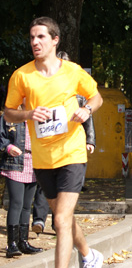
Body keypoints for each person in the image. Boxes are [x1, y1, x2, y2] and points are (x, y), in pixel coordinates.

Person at [3, 17, 104, 268]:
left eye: (41, 37)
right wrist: (27, 114)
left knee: (59, 219)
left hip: (71, 152)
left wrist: (87, 111)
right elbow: (8, 112)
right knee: (64, 217)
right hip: (42, 158)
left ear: (55, 40)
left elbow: (96, 97)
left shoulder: (72, 71)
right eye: (32, 37)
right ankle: (89, 255)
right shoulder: (21, 76)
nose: (35, 42)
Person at [31, 50, 97, 235]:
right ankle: (39, 219)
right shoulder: (41, 88)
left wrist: (90, 139)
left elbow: (88, 116)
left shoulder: (79, 92)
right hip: (46, 148)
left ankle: (58, 224)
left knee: (65, 189)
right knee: (44, 186)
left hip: (70, 148)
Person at [0, 115, 43, 257]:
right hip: (15, 163)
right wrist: (8, 147)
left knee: (26, 205)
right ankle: (11, 244)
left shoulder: (38, 118)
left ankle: (22, 242)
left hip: (33, 163)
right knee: (16, 203)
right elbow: (1, 136)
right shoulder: (9, 117)